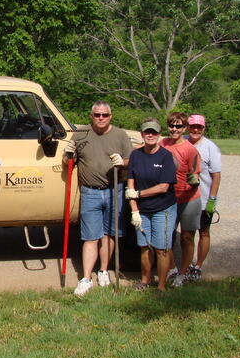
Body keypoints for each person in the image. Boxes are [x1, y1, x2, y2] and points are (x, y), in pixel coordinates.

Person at [63, 101, 133, 297]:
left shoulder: (120, 134)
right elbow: (68, 161)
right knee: (90, 237)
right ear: (91, 115)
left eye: (104, 115)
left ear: (111, 116)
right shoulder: (81, 134)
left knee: (109, 235)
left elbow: (131, 159)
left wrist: (123, 162)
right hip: (90, 192)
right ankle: (85, 278)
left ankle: (103, 271)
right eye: (97, 115)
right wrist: (68, 154)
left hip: (114, 190)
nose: (101, 118)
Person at [126, 118, 178, 291]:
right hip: (142, 210)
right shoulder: (135, 155)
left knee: (162, 249)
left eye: (154, 132)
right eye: (147, 132)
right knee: (144, 247)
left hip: (163, 209)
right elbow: (130, 184)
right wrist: (134, 210)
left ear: (158, 135)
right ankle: (145, 280)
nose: (150, 135)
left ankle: (161, 285)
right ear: (141, 134)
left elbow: (164, 187)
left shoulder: (165, 156)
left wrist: (139, 194)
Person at [160, 112, 202, 288]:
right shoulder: (162, 143)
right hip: (168, 198)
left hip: (189, 199)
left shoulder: (190, 149)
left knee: (186, 237)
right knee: (165, 238)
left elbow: (195, 173)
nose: (174, 129)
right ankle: (171, 268)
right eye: (172, 125)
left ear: (184, 128)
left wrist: (193, 180)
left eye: (178, 126)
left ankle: (182, 274)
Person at [186, 114, 222, 282]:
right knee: (186, 234)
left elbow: (216, 176)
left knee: (204, 232)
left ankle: (198, 266)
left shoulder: (210, 147)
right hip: (184, 197)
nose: (195, 129)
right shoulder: (182, 141)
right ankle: (184, 265)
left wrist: (212, 200)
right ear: (187, 127)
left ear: (203, 129)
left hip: (204, 198)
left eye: (199, 127)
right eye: (192, 126)